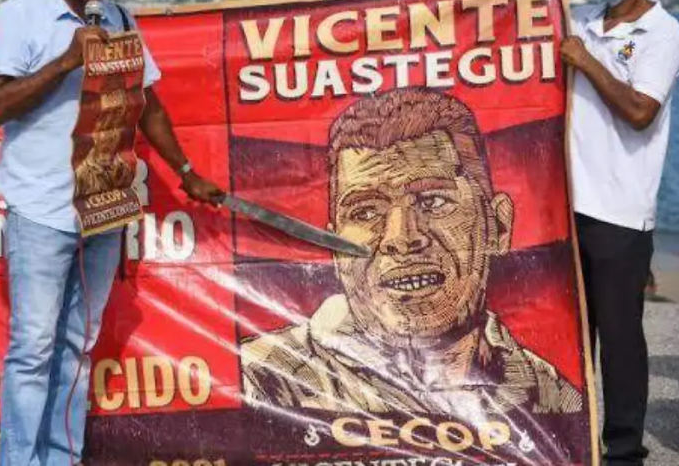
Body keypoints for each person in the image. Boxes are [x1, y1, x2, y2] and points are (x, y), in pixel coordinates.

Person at [0, 0, 223, 464]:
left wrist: (186, 171)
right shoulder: (19, 16)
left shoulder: (120, 19)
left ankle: (62, 457)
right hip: (41, 208)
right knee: (33, 348)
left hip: (104, 207)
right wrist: (65, 62)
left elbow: (147, 102)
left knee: (78, 346)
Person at [241, 89, 583, 425]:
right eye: (365, 212)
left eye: (433, 201)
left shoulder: (550, 395)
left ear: (499, 227)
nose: (402, 238)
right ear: (334, 246)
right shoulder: (260, 377)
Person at [530, 0, 679, 466]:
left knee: (619, 338)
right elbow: (531, 42)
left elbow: (642, 111)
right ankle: (570, 440)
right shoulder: (585, 21)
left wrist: (589, 63)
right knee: (569, 332)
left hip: (619, 211)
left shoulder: (663, 32)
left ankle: (623, 451)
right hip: (566, 203)